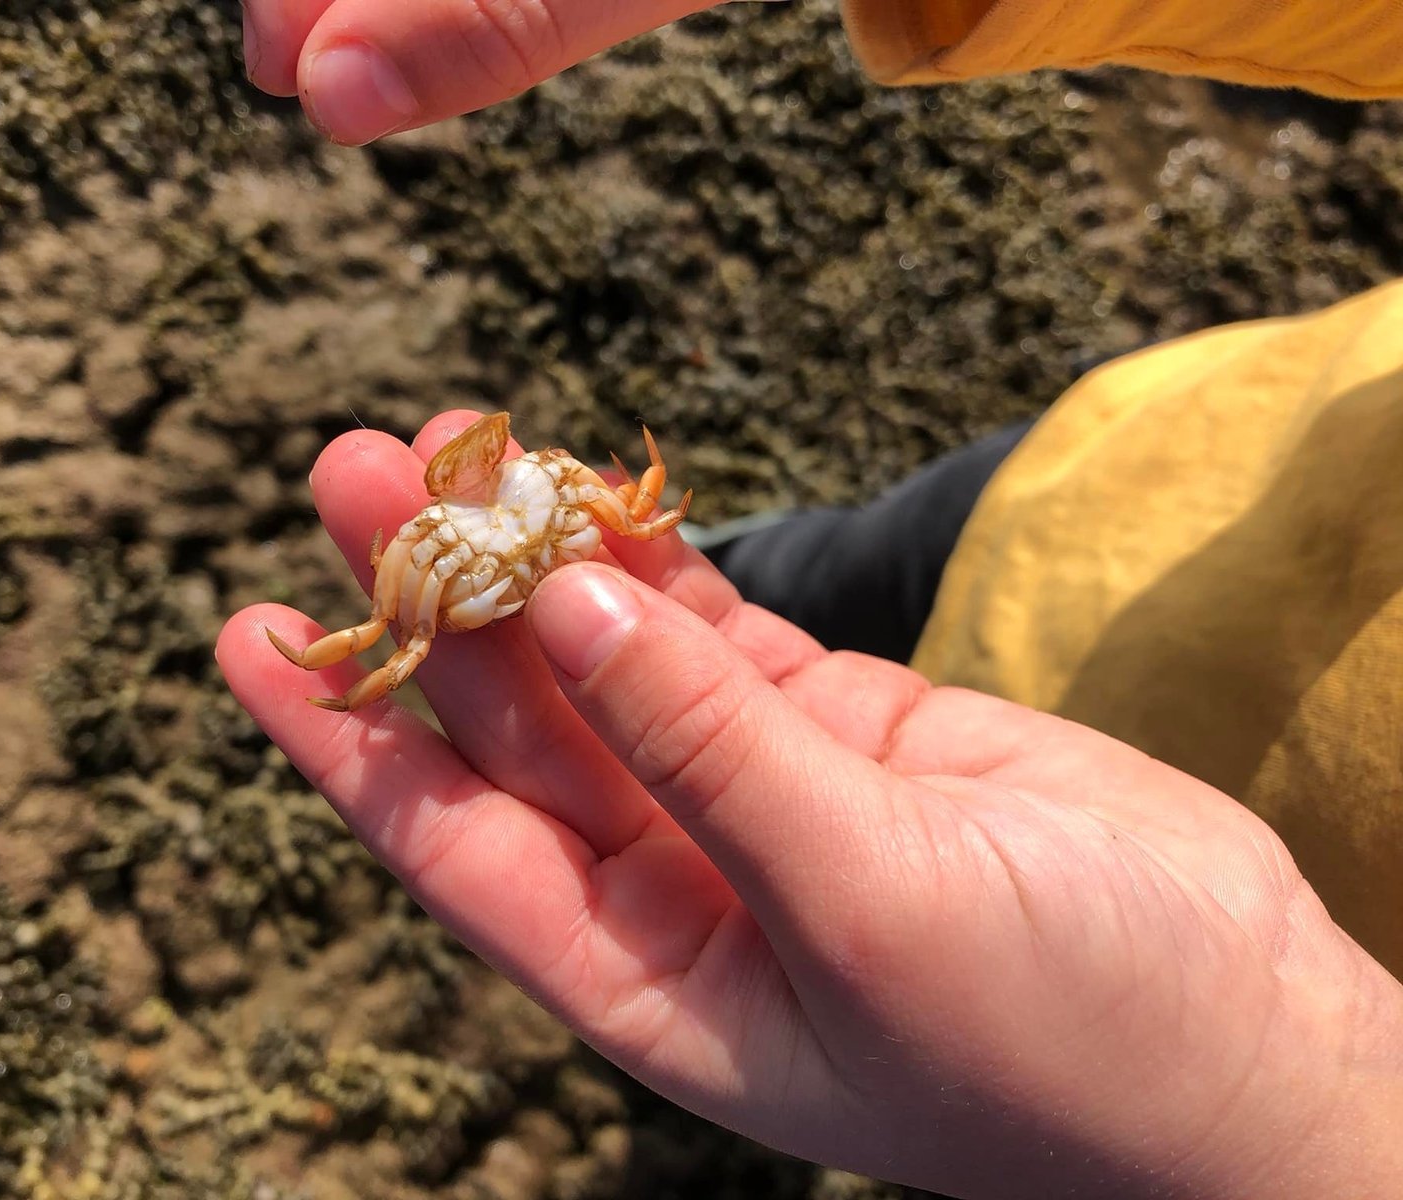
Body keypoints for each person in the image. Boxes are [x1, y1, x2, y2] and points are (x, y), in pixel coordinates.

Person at [217, 1, 1403, 1195]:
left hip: (1140, 825)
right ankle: (769, 567)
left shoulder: (544, 485)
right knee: (780, 588)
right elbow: (477, 581)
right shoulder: (467, 520)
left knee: (711, 628)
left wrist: (1294, 1107)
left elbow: (622, 510)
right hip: (1123, 488)